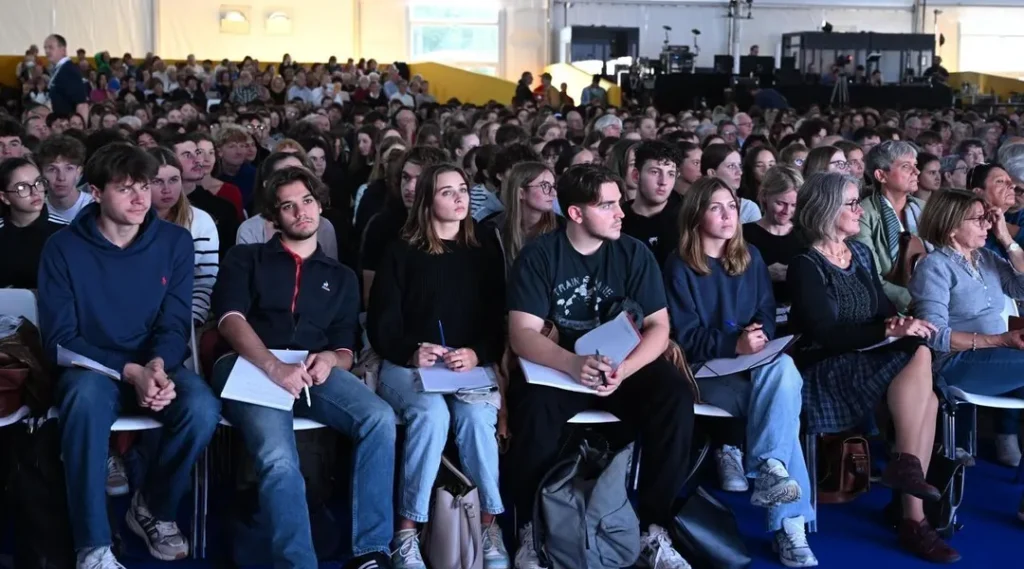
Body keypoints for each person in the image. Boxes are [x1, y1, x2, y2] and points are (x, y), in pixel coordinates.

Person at [37, 143, 221, 568]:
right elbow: (61, 341)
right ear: (97, 193)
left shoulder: (174, 241)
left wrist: (155, 365)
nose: (142, 199)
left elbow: (175, 322)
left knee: (202, 408)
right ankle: (93, 545)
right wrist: (130, 371)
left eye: (145, 186)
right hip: (91, 368)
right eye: (126, 189)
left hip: (154, 362)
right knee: (83, 405)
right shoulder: (62, 248)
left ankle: (152, 508)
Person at [506, 164, 695, 569]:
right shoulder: (540, 255)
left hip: (621, 366)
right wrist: (572, 364)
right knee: (534, 410)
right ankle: (530, 530)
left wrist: (626, 370)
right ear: (576, 214)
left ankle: (653, 527)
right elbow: (522, 333)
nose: (620, 213)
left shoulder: (633, 252)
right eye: (607, 205)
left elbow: (659, 327)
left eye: (618, 203)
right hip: (559, 366)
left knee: (674, 395)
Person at [210, 166, 396, 569]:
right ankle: (298, 564)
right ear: (273, 217)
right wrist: (273, 366)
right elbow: (229, 320)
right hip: (248, 365)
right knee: (279, 456)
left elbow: (346, 347)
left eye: (307, 201)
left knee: (379, 418)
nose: (301, 212)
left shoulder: (341, 276)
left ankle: (371, 550)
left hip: (312, 371)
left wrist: (330, 359)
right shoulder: (247, 258)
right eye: (288, 206)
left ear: (319, 204)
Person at [786, 172, 958, 563]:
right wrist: (888, 328)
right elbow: (826, 335)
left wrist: (898, 324)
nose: (857, 211)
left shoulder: (859, 254)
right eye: (850, 204)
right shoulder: (805, 265)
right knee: (923, 379)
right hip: (828, 369)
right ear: (826, 210)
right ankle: (912, 512)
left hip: (871, 357)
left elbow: (881, 309)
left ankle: (909, 489)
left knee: (920, 355)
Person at [664, 176, 817, 568]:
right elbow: (681, 335)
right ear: (697, 215)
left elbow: (765, 311)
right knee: (783, 409)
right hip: (703, 373)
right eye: (716, 207)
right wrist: (732, 344)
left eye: (732, 206)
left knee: (782, 369)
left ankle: (771, 472)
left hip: (752, 366)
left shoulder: (749, 257)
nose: (728, 214)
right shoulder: (679, 265)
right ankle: (788, 523)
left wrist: (759, 334)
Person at [367, 163, 509, 569]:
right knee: (430, 416)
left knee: (477, 416)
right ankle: (407, 531)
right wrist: (411, 351)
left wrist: (476, 354)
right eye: (448, 192)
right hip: (406, 363)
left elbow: (496, 319)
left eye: (463, 189)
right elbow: (381, 324)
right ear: (428, 200)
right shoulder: (400, 249)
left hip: (466, 365)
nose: (460, 198)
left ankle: (488, 523)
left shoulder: (483, 246)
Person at [912, 189, 1024, 474]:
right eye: (979, 220)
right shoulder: (934, 266)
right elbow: (934, 335)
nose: (987, 225)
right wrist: (999, 340)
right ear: (951, 228)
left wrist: (1006, 239)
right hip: (956, 363)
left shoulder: (986, 258)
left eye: (987, 219)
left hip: (999, 356)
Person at [147, 147, 219, 327]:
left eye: (173, 180)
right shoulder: (130, 220)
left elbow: (205, 283)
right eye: (157, 181)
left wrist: (188, 322)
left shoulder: (200, 221)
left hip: (186, 316)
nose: (167, 189)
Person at [856, 140, 924, 311]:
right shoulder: (864, 214)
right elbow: (871, 276)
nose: (917, 172)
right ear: (881, 175)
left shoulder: (924, 208)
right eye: (906, 167)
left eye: (915, 165)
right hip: (894, 308)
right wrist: (915, 302)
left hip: (935, 296)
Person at [0, 157, 69, 288]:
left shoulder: (66, 231)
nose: (35, 192)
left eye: (38, 182)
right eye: (22, 187)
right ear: (4, 197)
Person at [742, 166, 805, 305]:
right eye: (780, 203)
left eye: (794, 205)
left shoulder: (804, 235)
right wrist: (763, 274)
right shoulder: (744, 235)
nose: (787, 211)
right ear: (764, 196)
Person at [621, 140, 683, 265]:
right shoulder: (618, 220)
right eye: (655, 172)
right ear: (636, 176)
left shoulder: (686, 220)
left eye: (671, 174)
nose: (663, 181)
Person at [492, 161, 561, 273]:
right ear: (521, 193)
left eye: (553, 186)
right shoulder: (494, 230)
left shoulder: (562, 227)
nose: (553, 193)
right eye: (544, 186)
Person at [701, 144, 761, 223]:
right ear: (712, 173)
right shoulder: (696, 206)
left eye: (739, 166)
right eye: (731, 166)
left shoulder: (748, 208)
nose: (739, 172)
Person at [43, 34, 88, 119]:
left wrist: (78, 129)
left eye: (51, 47)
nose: (47, 51)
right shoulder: (61, 69)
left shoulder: (68, 70)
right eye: (45, 48)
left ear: (63, 50)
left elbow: (82, 104)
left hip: (67, 125)